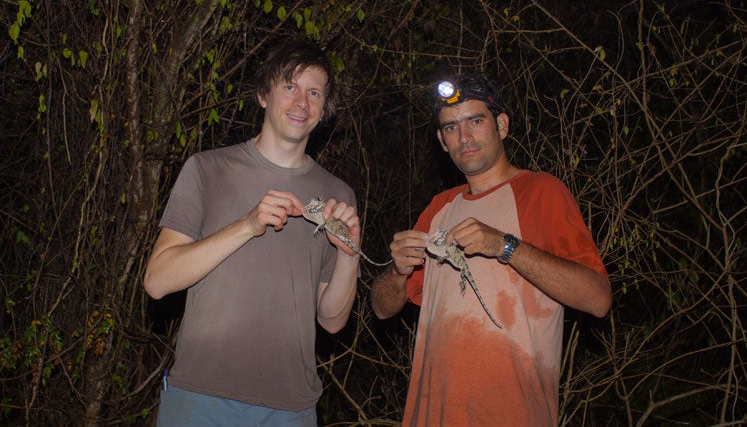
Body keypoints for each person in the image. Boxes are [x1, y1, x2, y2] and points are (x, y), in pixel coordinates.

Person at [371, 72, 611, 426]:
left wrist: (504, 245)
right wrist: (397, 270)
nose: (464, 136)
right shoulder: (439, 209)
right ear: (441, 140)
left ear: (501, 125)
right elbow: (381, 308)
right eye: (451, 127)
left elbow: (598, 299)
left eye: (475, 121)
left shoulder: (541, 192)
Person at [143, 37, 362, 426]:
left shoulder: (337, 195)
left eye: (314, 93)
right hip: (200, 397)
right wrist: (247, 225)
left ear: (324, 111)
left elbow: (331, 320)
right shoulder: (207, 169)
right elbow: (158, 281)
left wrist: (349, 253)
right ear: (264, 94)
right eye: (290, 86)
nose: (301, 103)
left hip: (289, 407)